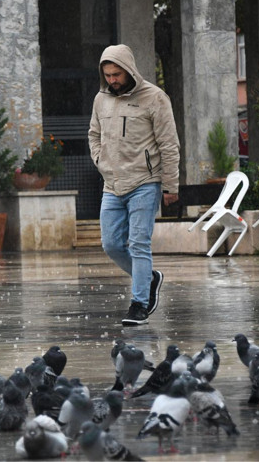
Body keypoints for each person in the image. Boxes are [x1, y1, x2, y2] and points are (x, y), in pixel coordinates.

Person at [88, 44, 180, 326]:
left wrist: (170, 185)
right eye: (108, 75)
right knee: (111, 244)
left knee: (139, 244)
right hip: (112, 184)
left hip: (144, 182)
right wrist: (100, 160)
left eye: (117, 74)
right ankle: (149, 278)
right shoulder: (100, 100)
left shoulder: (155, 98)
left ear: (129, 70)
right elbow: (93, 134)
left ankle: (139, 303)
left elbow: (169, 144)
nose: (112, 80)